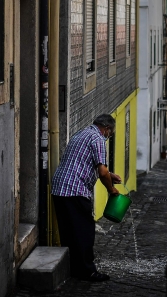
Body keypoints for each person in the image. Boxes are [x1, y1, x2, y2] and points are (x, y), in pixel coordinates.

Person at [51, 114, 122, 282]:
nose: (108, 136)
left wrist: (110, 175)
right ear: (106, 129)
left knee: (69, 232)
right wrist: (111, 189)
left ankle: (73, 268)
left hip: (60, 187)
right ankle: (87, 271)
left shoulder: (81, 134)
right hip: (75, 189)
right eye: (110, 134)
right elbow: (102, 171)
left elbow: (85, 163)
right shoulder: (97, 139)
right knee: (85, 231)